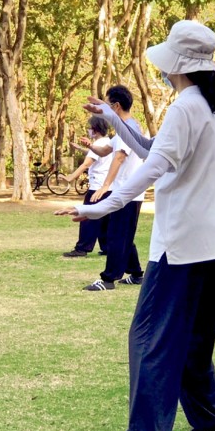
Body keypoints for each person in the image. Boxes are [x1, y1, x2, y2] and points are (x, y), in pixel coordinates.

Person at [56, 20, 215, 431]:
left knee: (150, 339)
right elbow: (152, 147)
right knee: (193, 342)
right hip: (214, 241)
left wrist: (102, 207)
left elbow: (152, 166)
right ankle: (214, 422)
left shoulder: (187, 107)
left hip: (182, 244)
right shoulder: (212, 108)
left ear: (177, 63)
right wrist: (115, 118)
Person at [80, 86, 145, 291]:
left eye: (107, 105)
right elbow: (106, 150)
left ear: (116, 106)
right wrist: (90, 146)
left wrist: (106, 186)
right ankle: (136, 274)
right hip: (124, 192)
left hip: (128, 193)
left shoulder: (130, 128)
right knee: (122, 234)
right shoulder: (122, 130)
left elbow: (119, 157)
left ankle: (108, 279)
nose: (105, 110)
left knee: (117, 235)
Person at [62, 116, 113, 257]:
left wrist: (70, 178)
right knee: (103, 218)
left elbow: (86, 164)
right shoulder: (108, 142)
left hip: (97, 187)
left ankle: (82, 248)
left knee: (87, 217)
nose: (89, 130)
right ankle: (108, 247)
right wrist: (80, 148)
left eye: (90, 128)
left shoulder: (98, 143)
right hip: (108, 187)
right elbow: (96, 155)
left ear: (95, 130)